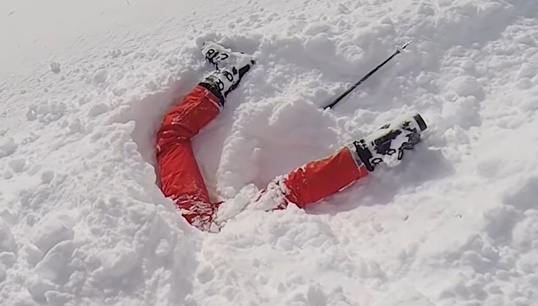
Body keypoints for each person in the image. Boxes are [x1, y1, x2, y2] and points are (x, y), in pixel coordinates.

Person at [155, 42, 427, 231]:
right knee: (171, 136)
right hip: (197, 228)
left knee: (282, 194)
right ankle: (229, 72)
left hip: (205, 231)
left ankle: (370, 152)